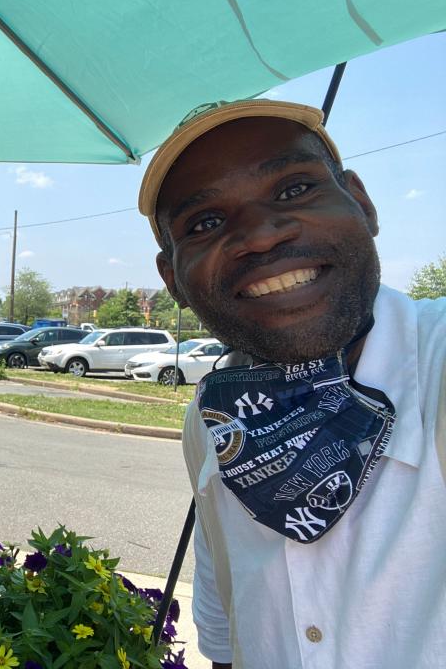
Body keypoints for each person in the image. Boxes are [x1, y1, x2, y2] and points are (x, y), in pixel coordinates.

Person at [139, 99, 445, 668]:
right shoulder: (212, 422)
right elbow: (226, 633)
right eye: (205, 223)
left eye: (292, 190)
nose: (259, 236)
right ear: (171, 278)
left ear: (361, 202)